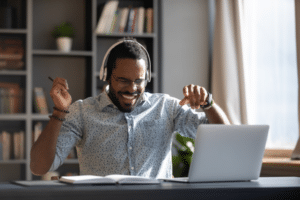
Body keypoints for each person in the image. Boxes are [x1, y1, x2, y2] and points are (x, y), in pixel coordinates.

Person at [30, 38, 230, 179]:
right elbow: (39, 167)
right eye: (123, 80)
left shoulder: (166, 107)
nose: (132, 88)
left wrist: (208, 103)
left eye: (139, 81)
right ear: (107, 76)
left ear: (147, 78)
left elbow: (224, 138)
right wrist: (59, 112)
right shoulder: (82, 112)